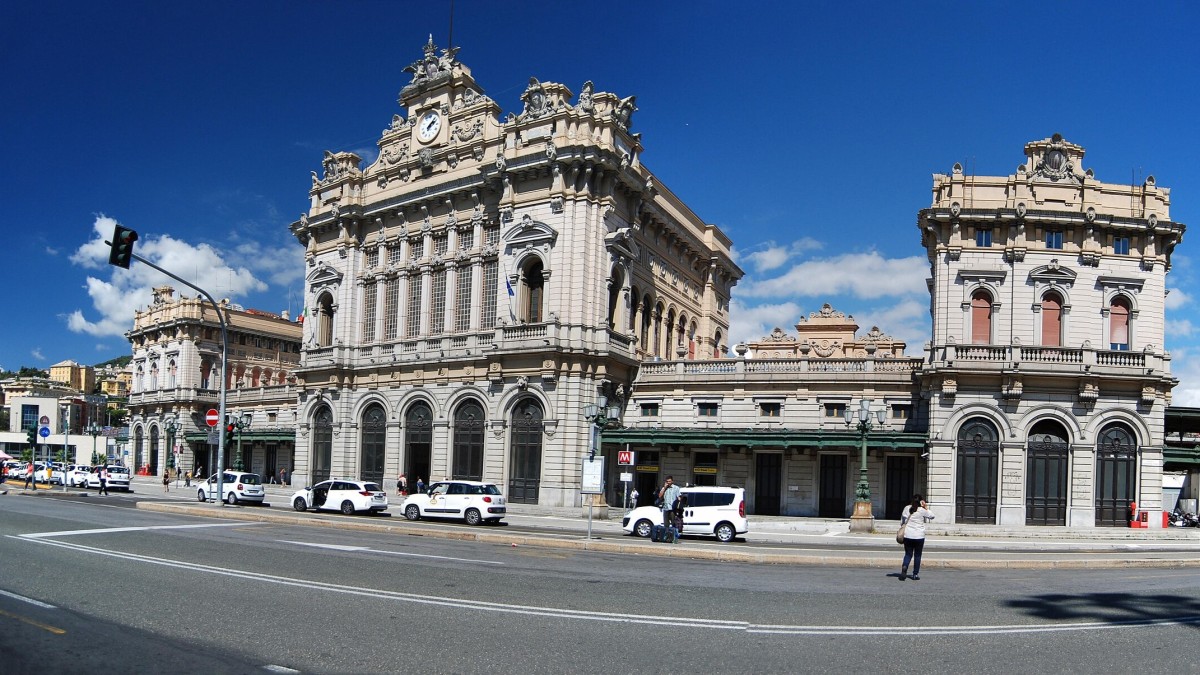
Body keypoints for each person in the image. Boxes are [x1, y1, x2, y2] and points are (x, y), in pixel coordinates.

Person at [900, 494, 935, 580]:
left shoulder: (906, 508)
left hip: (908, 535)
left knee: (908, 554)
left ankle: (905, 567)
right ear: (920, 502)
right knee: (917, 555)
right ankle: (915, 574)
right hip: (919, 536)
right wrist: (926, 507)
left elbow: (902, 521)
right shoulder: (922, 510)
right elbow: (932, 516)